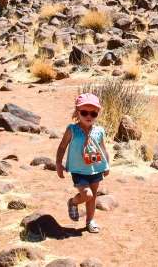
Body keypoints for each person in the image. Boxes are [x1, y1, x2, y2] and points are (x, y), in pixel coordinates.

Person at [56, 92, 110, 233]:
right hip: (78, 170)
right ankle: (73, 202)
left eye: (93, 113)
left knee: (93, 197)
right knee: (87, 195)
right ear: (77, 112)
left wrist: (107, 165)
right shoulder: (72, 130)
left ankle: (90, 221)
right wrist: (58, 164)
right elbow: (62, 147)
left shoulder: (99, 131)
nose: (88, 116)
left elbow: (103, 148)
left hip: (95, 168)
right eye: (84, 112)